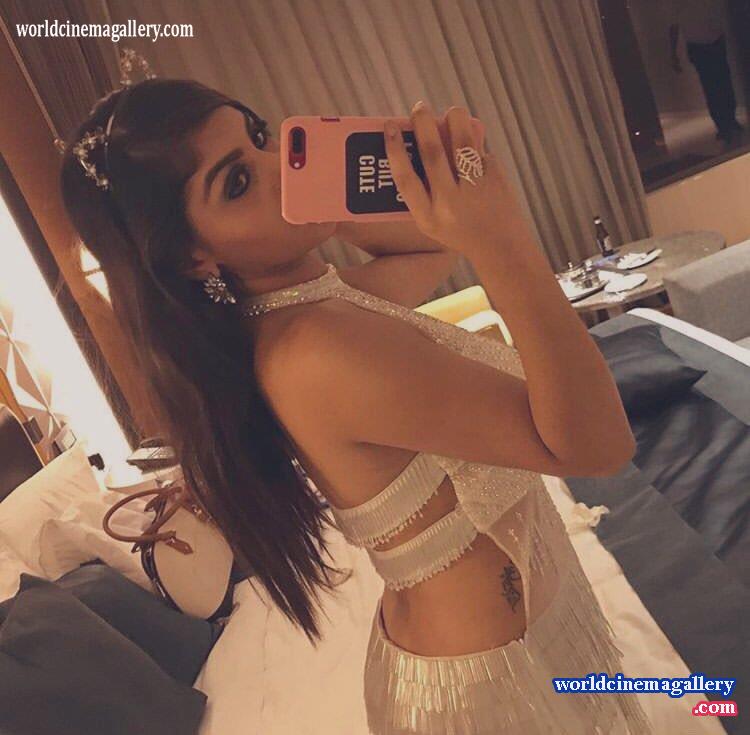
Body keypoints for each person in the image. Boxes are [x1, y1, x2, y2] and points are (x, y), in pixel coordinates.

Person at [59, 77, 653, 733]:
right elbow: (599, 445)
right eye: (238, 182)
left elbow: (429, 247)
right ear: (193, 256)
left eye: (260, 139)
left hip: (510, 650)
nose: (279, 168)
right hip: (488, 691)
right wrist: (502, 236)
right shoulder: (314, 350)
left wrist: (334, 197)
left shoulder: (311, 301)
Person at [669, 0, 743, 143]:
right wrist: (673, 54)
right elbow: (673, 25)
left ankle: (728, 122)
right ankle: (725, 124)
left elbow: (673, 25)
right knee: (716, 85)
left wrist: (673, 54)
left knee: (719, 84)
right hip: (703, 44)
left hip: (709, 41)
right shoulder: (678, 4)